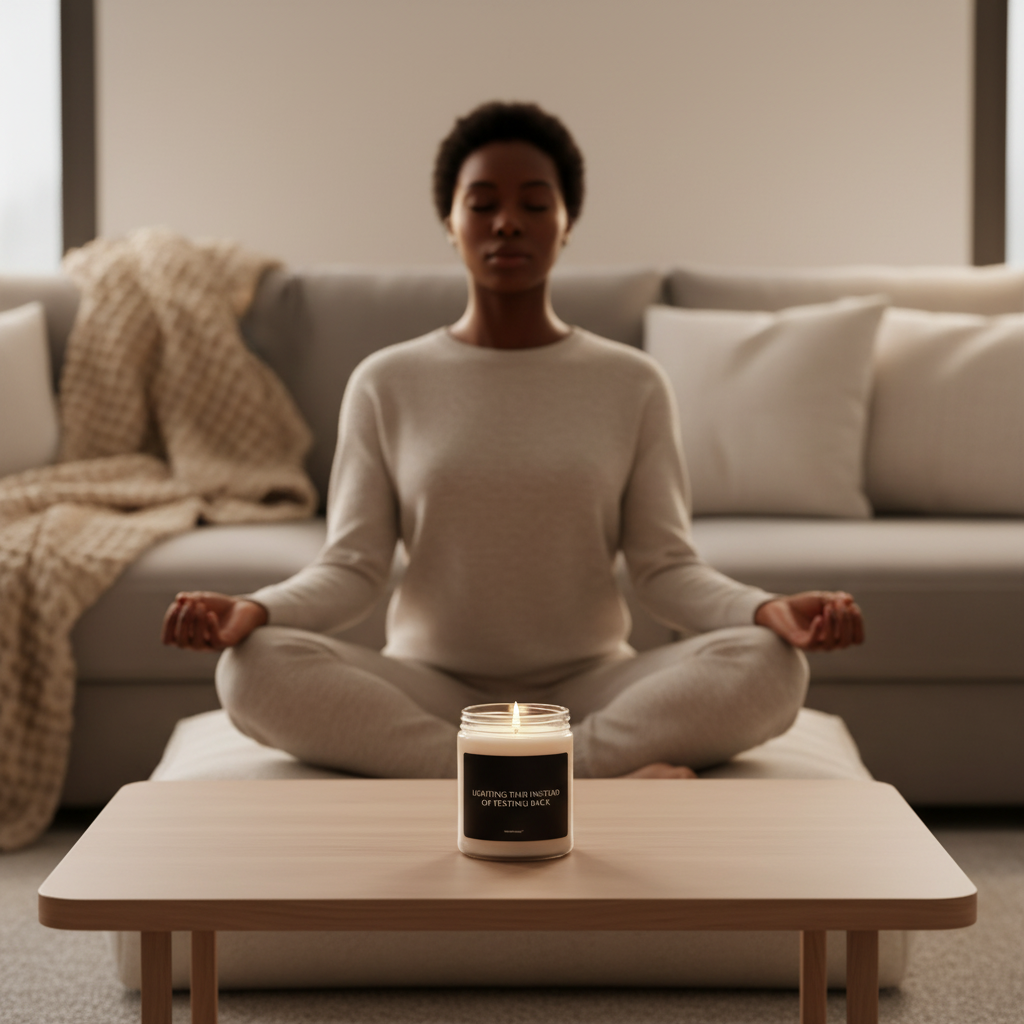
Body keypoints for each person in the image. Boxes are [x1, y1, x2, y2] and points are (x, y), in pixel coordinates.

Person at [162, 101, 863, 780]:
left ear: (566, 224)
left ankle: (524, 775)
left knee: (771, 663)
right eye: (481, 203)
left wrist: (762, 609)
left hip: (592, 687)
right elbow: (353, 567)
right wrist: (259, 609)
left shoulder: (632, 383)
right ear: (450, 221)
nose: (506, 223)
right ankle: (558, 779)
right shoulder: (387, 381)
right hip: (430, 689)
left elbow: (665, 568)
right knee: (252, 666)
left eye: (534, 203)